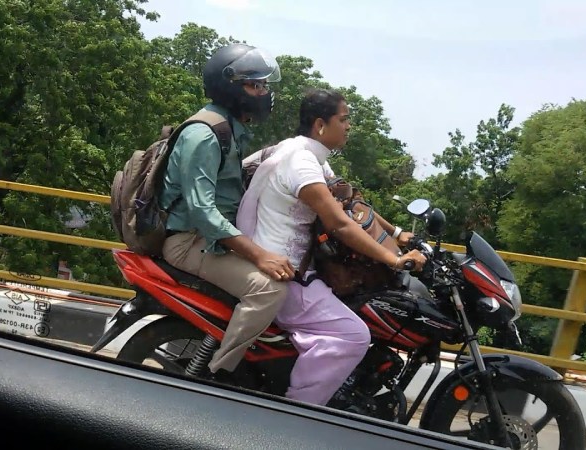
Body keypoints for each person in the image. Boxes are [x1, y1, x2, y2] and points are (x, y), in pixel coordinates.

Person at [237, 88, 427, 406]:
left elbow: (347, 202)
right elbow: (339, 223)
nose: (349, 126)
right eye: (344, 119)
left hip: (292, 266)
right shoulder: (302, 163)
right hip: (283, 273)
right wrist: (394, 261)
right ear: (320, 125)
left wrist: (398, 232)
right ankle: (298, 411)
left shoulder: (306, 155)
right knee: (354, 334)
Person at [159, 43, 294, 379]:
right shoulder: (204, 134)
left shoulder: (228, 128)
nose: (264, 93)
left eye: (264, 85)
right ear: (229, 86)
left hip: (209, 239)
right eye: (255, 85)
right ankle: (221, 374)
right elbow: (202, 210)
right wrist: (259, 256)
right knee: (269, 289)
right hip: (189, 242)